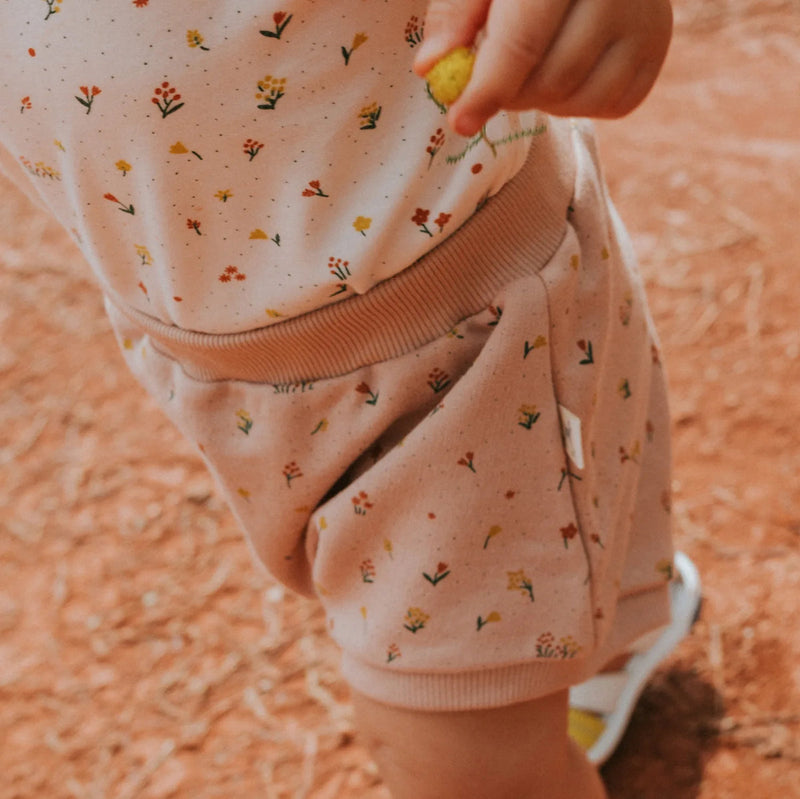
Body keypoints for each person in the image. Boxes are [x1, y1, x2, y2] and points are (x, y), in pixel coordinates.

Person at [0, 1, 700, 797]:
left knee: (470, 777)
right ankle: (595, 625)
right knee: (522, 605)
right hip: (212, 362)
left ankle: (585, 623)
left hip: (464, 352)